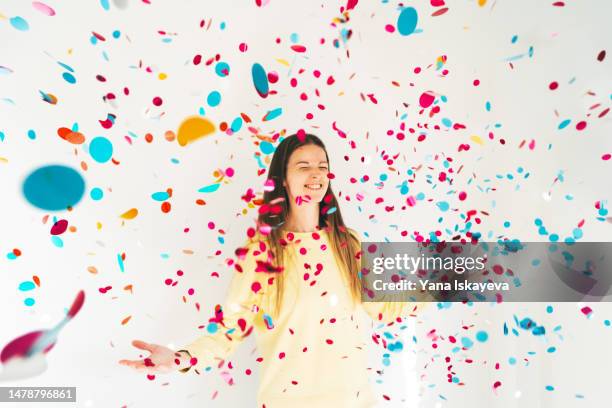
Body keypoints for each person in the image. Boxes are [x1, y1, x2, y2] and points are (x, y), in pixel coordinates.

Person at [119, 133, 427, 407]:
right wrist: (180, 359)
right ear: (283, 179)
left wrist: (452, 269)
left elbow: (386, 306)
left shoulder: (350, 242)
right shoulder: (262, 251)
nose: (316, 174)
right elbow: (229, 330)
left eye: (322, 166)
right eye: (304, 166)